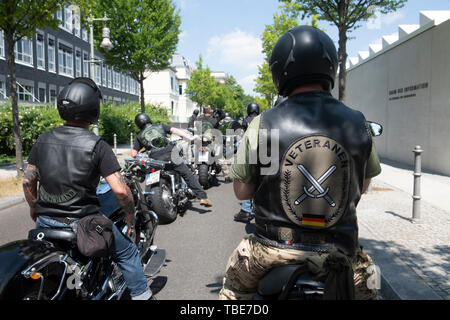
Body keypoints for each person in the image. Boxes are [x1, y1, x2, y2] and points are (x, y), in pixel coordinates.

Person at [219, 26, 381, 300]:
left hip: (272, 251)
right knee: (372, 291)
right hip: (341, 254)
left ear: (280, 70)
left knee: (233, 293)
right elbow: (362, 186)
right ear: (330, 65)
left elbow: (243, 191)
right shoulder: (357, 122)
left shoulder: (266, 125)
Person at [22, 77, 153, 300]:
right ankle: (143, 296)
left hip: (45, 222)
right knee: (128, 251)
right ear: (93, 108)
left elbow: (28, 182)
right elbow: (121, 191)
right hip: (82, 224)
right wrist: (130, 217)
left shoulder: (42, 139)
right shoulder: (97, 145)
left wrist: (35, 208)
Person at [132, 112, 212, 207]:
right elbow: (174, 130)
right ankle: (203, 197)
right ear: (148, 119)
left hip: (155, 160)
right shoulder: (159, 126)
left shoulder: (139, 136)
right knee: (187, 174)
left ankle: (149, 201)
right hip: (170, 154)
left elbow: (133, 154)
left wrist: (142, 152)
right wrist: (189, 138)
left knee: (151, 175)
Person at [233, 102, 260, 224]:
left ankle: (245, 210)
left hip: (249, 148)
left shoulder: (246, 120)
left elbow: (242, 134)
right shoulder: (263, 119)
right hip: (265, 149)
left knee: (247, 177)